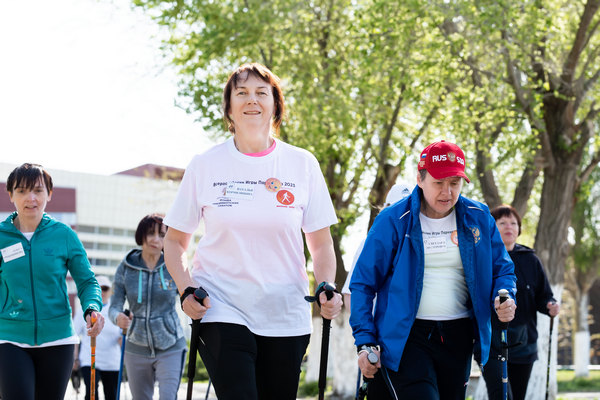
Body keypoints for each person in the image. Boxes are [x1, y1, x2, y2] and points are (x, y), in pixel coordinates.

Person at [162, 62, 343, 400]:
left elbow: (320, 244)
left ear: (276, 104)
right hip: (220, 306)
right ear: (229, 106)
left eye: (262, 93)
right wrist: (186, 289)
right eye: (241, 93)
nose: (252, 100)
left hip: (285, 312)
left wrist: (326, 284)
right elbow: (174, 242)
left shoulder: (302, 164)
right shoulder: (205, 164)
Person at [349, 140, 517, 400]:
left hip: (458, 336)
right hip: (407, 337)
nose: (447, 192)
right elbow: (363, 283)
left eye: (454, 183)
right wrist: (365, 340)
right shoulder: (394, 220)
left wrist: (504, 294)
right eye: (439, 183)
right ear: (420, 178)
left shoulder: (479, 217)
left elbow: (502, 268)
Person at [0, 163, 104, 400]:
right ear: (11, 195)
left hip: (58, 338)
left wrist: (92, 308)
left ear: (49, 193)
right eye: (22, 191)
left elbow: (87, 281)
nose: (31, 198)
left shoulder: (64, 235)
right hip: (9, 338)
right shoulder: (1, 237)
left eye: (38, 190)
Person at [481, 205, 560, 400]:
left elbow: (544, 296)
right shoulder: (482, 258)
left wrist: (550, 305)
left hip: (524, 344)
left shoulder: (530, 259)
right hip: (492, 343)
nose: (509, 227)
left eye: (513, 223)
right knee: (501, 395)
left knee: (518, 396)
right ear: (491, 227)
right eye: (502, 223)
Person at [109, 214, 186, 400]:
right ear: (141, 235)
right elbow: (114, 306)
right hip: (135, 347)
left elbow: (187, 297)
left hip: (171, 345)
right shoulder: (126, 268)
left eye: (162, 235)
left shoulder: (174, 265)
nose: (156, 239)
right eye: (150, 233)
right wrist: (118, 317)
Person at [342, 181, 412, 309]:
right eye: (396, 208)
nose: (403, 215)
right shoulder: (367, 244)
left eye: (408, 210)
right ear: (385, 210)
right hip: (376, 327)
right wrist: (363, 327)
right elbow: (351, 295)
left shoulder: (420, 244)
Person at [74, 275, 122, 400]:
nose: (102, 292)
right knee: (91, 395)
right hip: (89, 359)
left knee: (111, 395)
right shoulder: (84, 310)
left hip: (112, 361)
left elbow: (122, 336)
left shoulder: (116, 310)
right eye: (99, 288)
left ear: (110, 291)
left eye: (105, 288)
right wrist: (74, 359)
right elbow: (75, 334)